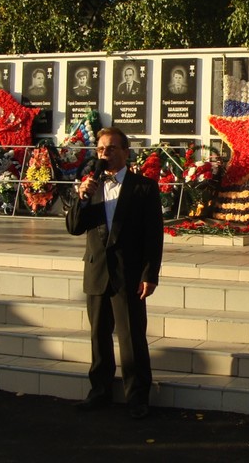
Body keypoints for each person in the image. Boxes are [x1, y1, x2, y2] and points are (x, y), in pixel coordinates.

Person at [66, 127, 164, 419]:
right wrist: (82, 198)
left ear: (125, 151)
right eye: (100, 149)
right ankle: (99, 392)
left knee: (131, 337)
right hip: (97, 271)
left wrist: (150, 274)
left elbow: (153, 235)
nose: (104, 154)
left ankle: (137, 398)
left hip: (128, 274)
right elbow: (74, 227)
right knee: (99, 336)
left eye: (110, 148)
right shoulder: (91, 187)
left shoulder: (144, 188)